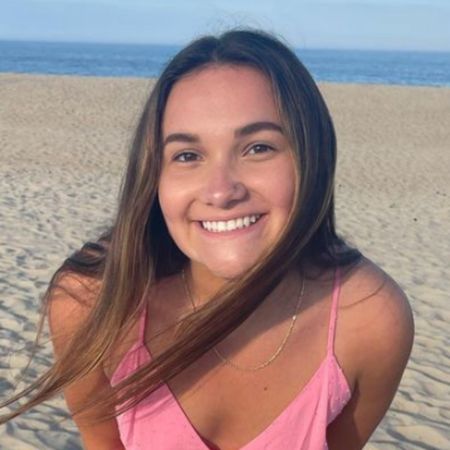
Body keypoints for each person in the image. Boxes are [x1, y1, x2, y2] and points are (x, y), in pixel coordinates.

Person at [1, 29, 414, 450]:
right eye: (187, 155)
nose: (220, 191)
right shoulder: (92, 301)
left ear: (312, 157)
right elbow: (101, 440)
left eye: (258, 148)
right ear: (153, 175)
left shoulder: (369, 322)